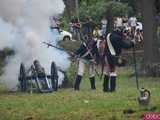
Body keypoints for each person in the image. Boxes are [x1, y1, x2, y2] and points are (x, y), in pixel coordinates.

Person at [100, 27, 135, 92]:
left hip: (106, 56)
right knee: (113, 72)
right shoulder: (118, 38)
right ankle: (112, 89)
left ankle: (105, 88)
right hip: (112, 56)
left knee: (107, 72)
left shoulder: (109, 35)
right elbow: (125, 45)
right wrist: (132, 43)